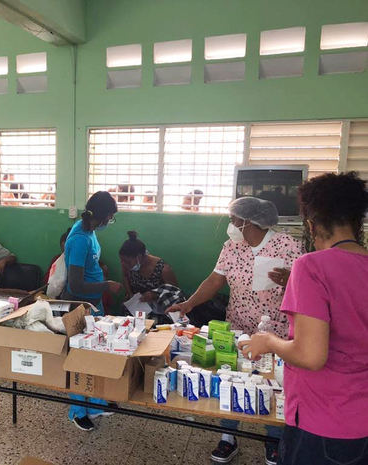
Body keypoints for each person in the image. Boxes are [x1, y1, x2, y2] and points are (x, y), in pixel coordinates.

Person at [238, 172, 368, 465]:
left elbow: (310, 356)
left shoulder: (311, 267)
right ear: (358, 221)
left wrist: (269, 341)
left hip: (322, 423)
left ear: (312, 223)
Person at [167, 196, 303, 465]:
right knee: (229, 376)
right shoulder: (231, 247)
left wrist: (291, 279)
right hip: (238, 324)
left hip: (275, 329)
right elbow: (215, 280)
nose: (230, 225)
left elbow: (307, 287)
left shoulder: (288, 245)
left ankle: (273, 440)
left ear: (248, 222)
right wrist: (188, 303)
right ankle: (227, 437)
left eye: (233, 220)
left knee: (272, 383)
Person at [61, 191, 122, 432]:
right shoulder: (79, 239)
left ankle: (96, 403)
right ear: (104, 216)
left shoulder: (89, 230)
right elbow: (75, 285)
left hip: (94, 305)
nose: (111, 222)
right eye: (111, 217)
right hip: (79, 306)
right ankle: (77, 410)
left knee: (97, 354)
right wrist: (106, 285)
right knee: (80, 359)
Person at [119, 231, 184, 322]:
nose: (124, 264)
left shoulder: (163, 270)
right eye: (122, 261)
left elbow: (175, 295)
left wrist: (154, 295)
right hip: (136, 307)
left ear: (139, 256)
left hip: (159, 311)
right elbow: (125, 276)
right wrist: (130, 294)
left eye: (127, 262)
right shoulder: (127, 264)